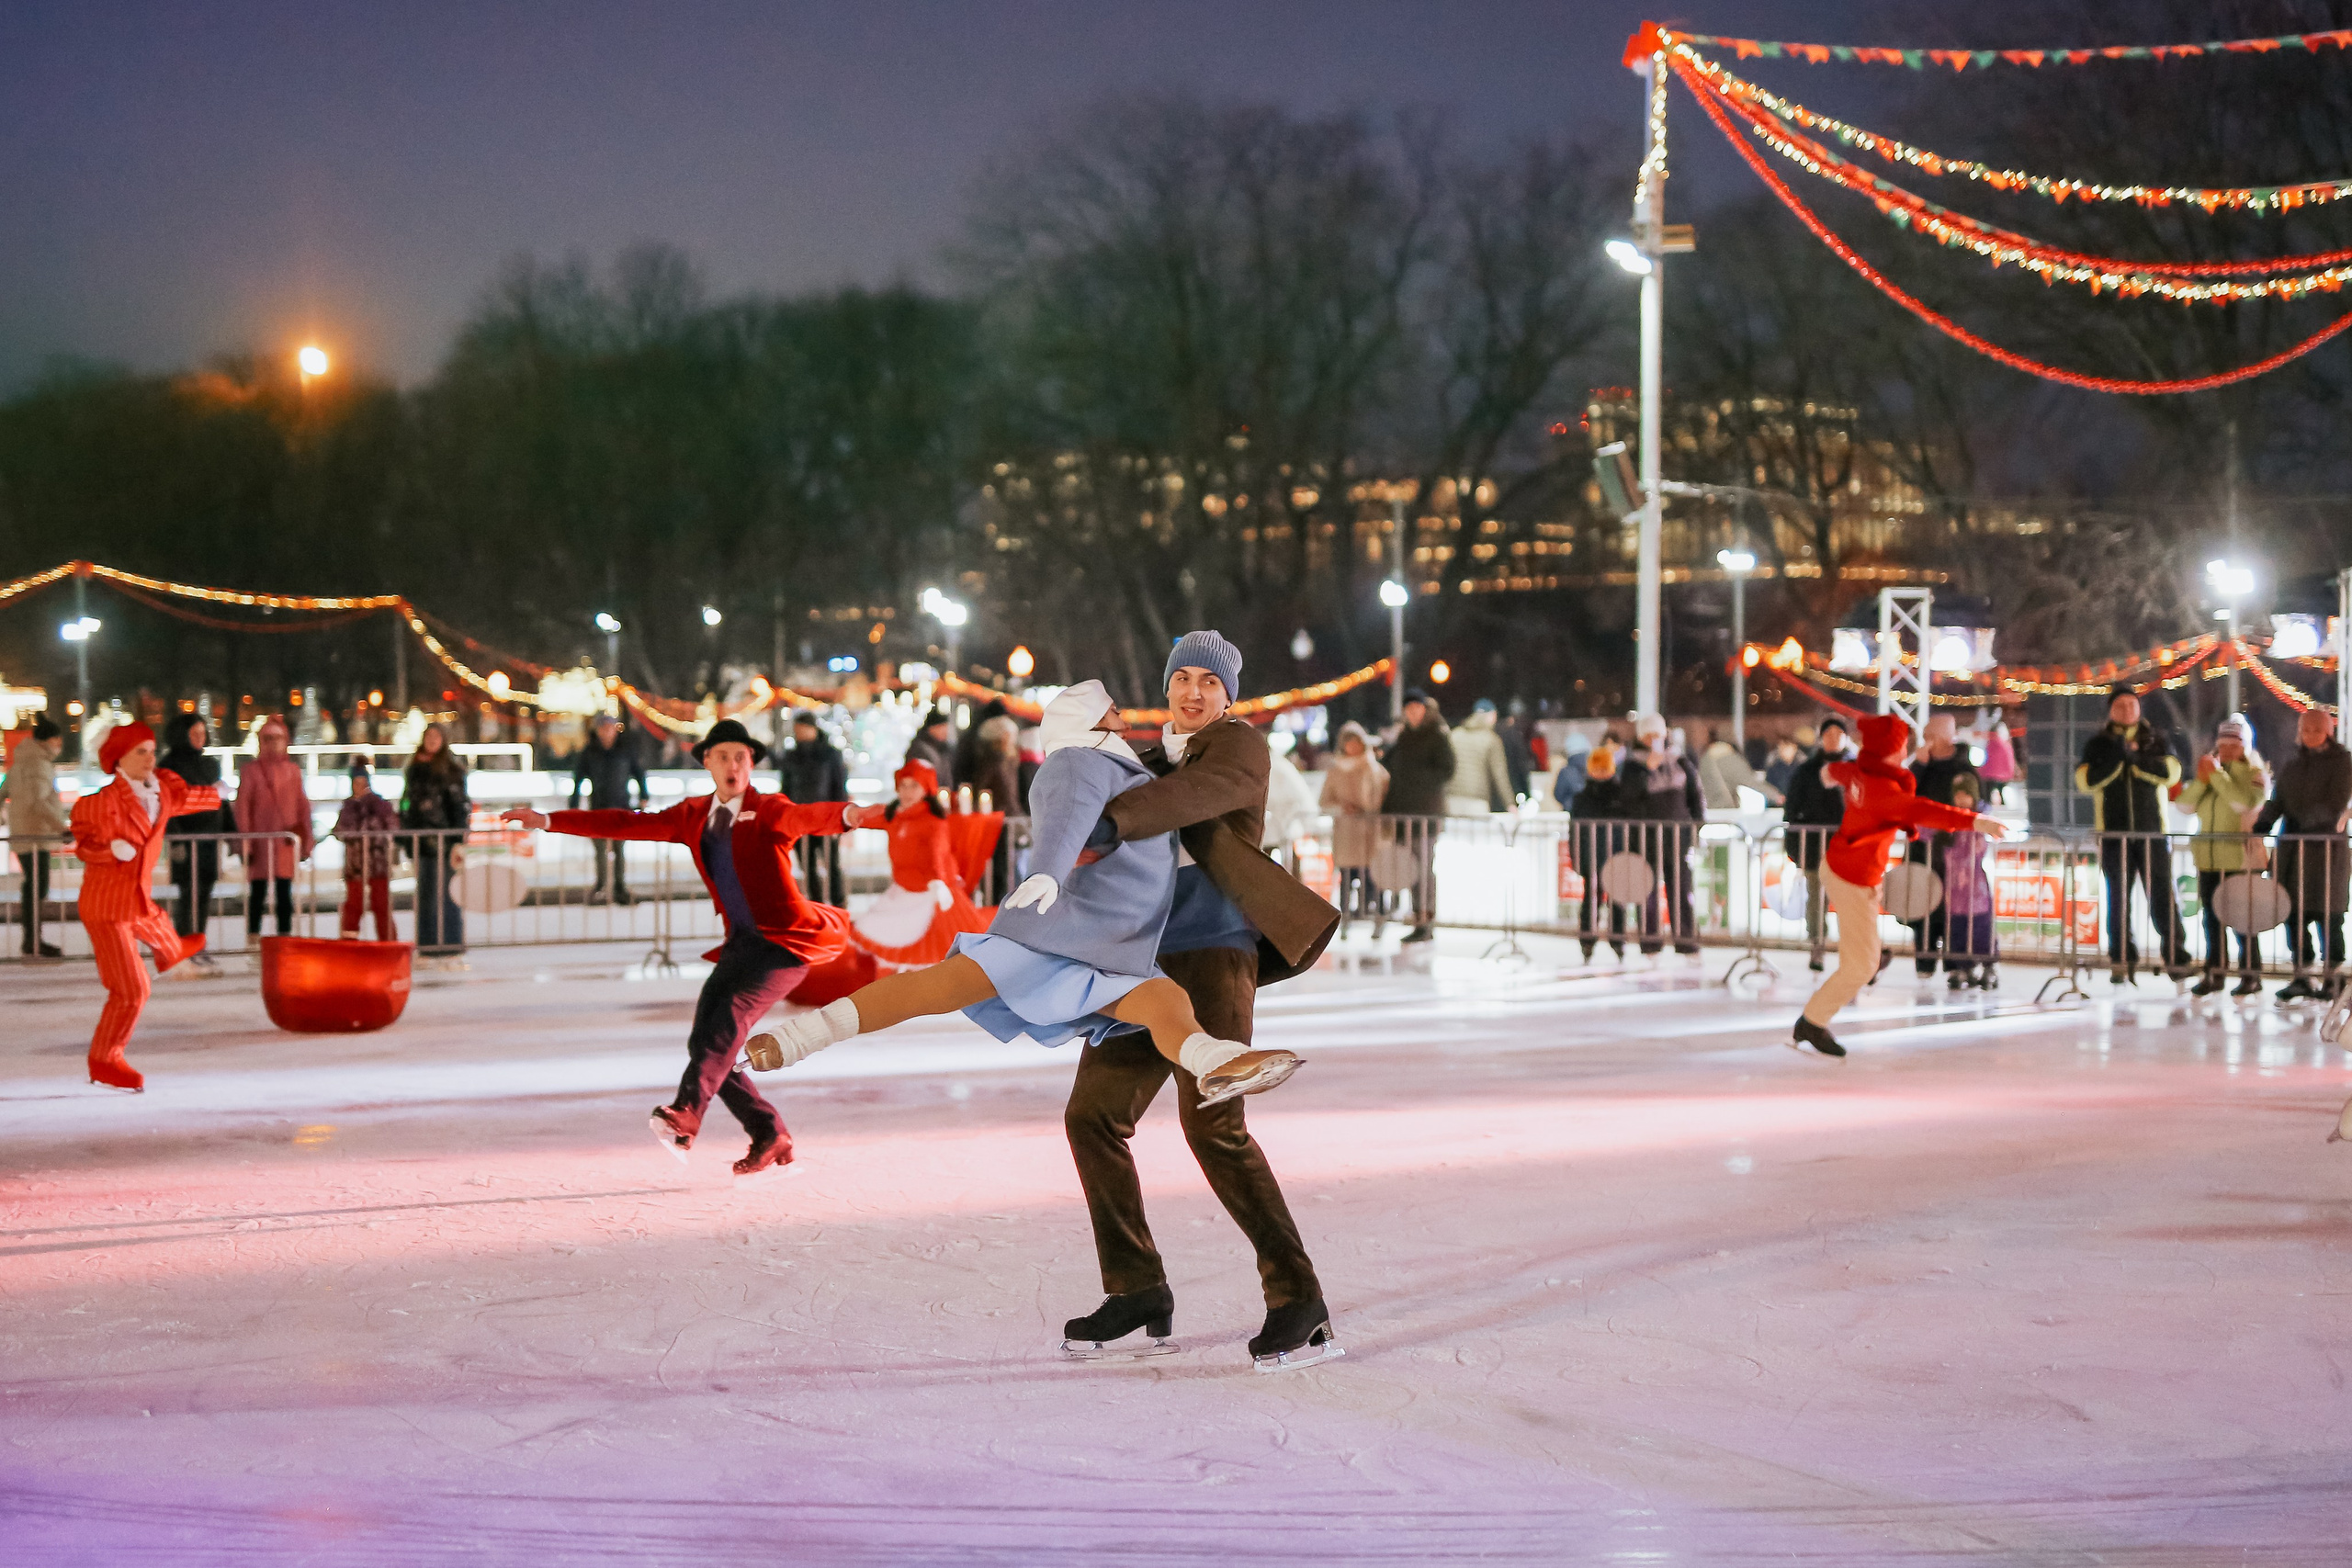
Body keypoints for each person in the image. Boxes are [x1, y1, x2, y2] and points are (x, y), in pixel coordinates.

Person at [750, 680, 1301, 1109]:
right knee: (936, 988)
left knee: (1165, 1002)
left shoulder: (1122, 768)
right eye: (1112, 710)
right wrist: (1047, 871)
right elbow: (1065, 818)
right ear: (1089, 720)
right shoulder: (1081, 761)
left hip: (1110, 940)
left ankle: (1214, 1058)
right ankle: (800, 1037)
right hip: (1062, 929)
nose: (1123, 717)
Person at [503, 718, 868, 1177]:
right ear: (708, 765)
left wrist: (849, 816)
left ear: (751, 763)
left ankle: (687, 1114)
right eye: (723, 757)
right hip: (741, 943)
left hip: (785, 945)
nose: (733, 765)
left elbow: (807, 816)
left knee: (728, 1021)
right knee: (707, 1043)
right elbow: (625, 823)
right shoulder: (694, 815)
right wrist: (550, 820)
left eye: (741, 756)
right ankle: (769, 1132)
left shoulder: (769, 809)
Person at [1792, 714, 2008, 1057]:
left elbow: (1833, 772)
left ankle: (1858, 972)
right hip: (1852, 878)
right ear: (1891, 751)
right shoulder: (1885, 792)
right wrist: (1977, 821)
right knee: (1861, 965)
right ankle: (1812, 1021)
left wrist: (1829, 774)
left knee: (1862, 958)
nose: (1909, 747)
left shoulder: (1863, 772)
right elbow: (1927, 811)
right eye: (1904, 744)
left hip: (1845, 868)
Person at [68, 722, 220, 1089]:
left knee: (156, 921)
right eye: (141, 751)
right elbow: (83, 846)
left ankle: (170, 950)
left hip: (136, 899)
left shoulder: (162, 791)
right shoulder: (100, 804)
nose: (150, 758)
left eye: (152, 750)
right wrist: (108, 851)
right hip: (107, 907)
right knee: (132, 989)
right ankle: (105, 1058)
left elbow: (186, 800)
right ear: (118, 758)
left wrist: (217, 796)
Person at [2075, 689, 2188, 982]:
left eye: (2132, 705)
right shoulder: (2099, 743)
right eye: (2120, 705)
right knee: (2118, 899)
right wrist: (2118, 761)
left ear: (2139, 709)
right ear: (2110, 710)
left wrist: (2136, 761)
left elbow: (2172, 773)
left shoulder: (2156, 738)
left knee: (2163, 896)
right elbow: (2085, 780)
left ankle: (2177, 958)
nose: (2126, 710)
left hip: (2153, 832)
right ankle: (2121, 959)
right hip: (2113, 833)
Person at [845, 758, 990, 966]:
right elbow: (864, 818)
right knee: (879, 931)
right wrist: (844, 816)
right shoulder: (894, 815)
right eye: (903, 786)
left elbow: (938, 852)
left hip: (929, 891)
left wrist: (938, 880)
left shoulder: (932, 821)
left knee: (939, 947)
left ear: (926, 789)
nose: (907, 792)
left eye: (914, 786)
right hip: (905, 888)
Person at [2254, 705, 2352, 1002]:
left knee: (2328, 915)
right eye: (2305, 730)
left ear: (2328, 731)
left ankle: (2333, 978)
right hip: (2293, 851)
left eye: (2316, 730)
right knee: (2293, 914)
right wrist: (2264, 822)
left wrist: (2305, 821)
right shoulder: (2293, 764)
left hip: (2325, 850)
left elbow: (2336, 802)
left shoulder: (2343, 763)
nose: (2310, 735)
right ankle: (2301, 974)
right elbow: (2278, 798)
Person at [2177, 715, 2269, 998]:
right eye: (2223, 744)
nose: (2228, 749)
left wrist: (2215, 775)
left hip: (2240, 860)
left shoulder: (2255, 774)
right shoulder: (2210, 773)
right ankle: (2214, 972)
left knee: (2243, 920)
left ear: (2245, 745)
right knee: (2211, 921)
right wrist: (2204, 780)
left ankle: (2251, 974)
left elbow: (2243, 803)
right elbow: (2184, 805)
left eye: (2235, 744)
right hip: (2209, 859)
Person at [1901, 712, 1979, 978]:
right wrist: (1919, 766)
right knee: (1921, 901)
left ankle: (1953, 961)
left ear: (1945, 737)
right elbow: (1904, 796)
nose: (1926, 742)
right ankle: (1924, 960)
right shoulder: (1921, 767)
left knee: (1951, 905)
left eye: (1930, 736)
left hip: (1953, 849)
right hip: (1921, 847)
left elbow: (1972, 803)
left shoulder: (1964, 769)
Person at [1619, 714, 1704, 957]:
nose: (1654, 740)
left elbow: (1695, 794)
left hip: (1676, 838)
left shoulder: (1680, 760)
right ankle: (1650, 943)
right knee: (1647, 894)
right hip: (1645, 840)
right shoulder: (1633, 765)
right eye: (1649, 735)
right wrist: (1648, 770)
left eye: (1658, 734)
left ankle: (1686, 941)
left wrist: (1695, 826)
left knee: (1681, 891)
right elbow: (1627, 799)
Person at [1380, 691, 1453, 942]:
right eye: (1408, 709)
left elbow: (1447, 770)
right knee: (1411, 870)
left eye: (1416, 708)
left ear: (1424, 710)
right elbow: (1394, 774)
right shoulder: (1404, 738)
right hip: (1404, 815)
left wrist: (1418, 782)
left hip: (1425, 815)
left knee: (1423, 870)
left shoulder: (1436, 735)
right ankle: (1417, 918)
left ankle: (1426, 920)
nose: (1412, 713)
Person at [1780, 717, 1850, 973]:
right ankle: (1817, 943)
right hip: (1815, 847)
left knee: (1848, 899)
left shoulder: (1854, 768)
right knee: (1816, 898)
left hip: (1848, 847)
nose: (1834, 739)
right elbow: (1792, 808)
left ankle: (1851, 948)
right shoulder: (1807, 771)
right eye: (1829, 734)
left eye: (1838, 734)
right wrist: (1794, 843)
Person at [232, 716, 312, 939]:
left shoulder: (292, 771)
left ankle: (284, 935)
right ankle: (253, 934)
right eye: (268, 739)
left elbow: (302, 806)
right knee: (257, 892)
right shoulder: (251, 771)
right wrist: (245, 843)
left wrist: (307, 839)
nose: (273, 743)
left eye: (277, 738)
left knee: (284, 891)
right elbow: (243, 808)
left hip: (285, 842)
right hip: (259, 843)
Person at [158, 713, 227, 966]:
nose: (200, 738)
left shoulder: (209, 764)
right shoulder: (169, 765)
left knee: (205, 892)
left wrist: (231, 832)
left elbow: (221, 799)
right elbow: (168, 804)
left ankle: (198, 942)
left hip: (209, 838)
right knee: (189, 894)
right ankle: (183, 944)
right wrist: (176, 840)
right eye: (194, 733)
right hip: (187, 840)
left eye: (202, 733)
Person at [401, 724, 469, 956]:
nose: (432, 740)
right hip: (420, 841)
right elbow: (407, 803)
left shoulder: (451, 770)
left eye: (436, 736)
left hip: (444, 840)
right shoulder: (414, 768)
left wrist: (458, 839)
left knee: (447, 893)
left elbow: (460, 807)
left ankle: (450, 942)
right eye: (428, 736)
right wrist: (406, 836)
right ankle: (428, 944)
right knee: (426, 894)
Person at [1318, 720, 1387, 936]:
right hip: (1346, 835)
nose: (1352, 747)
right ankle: (1345, 920)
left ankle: (1378, 918)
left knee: (1373, 880)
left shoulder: (1374, 769)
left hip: (1369, 834)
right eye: (1348, 742)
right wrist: (1341, 808)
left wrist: (1367, 809)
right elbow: (1324, 801)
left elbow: (1381, 798)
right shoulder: (1336, 771)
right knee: (1347, 880)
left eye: (1356, 742)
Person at [570, 714, 647, 904]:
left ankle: (620, 887)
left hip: (621, 805)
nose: (606, 732)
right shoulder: (590, 751)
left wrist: (644, 795)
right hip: (598, 806)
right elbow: (578, 777)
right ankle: (601, 886)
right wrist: (574, 803)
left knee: (619, 849)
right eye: (603, 728)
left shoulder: (625, 750)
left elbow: (638, 772)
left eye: (609, 727)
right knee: (600, 849)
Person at [6, 715, 67, 957]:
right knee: (37, 888)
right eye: (57, 740)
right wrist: (61, 827)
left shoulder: (20, 761)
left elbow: (4, 790)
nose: (59, 745)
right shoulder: (39, 765)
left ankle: (31, 939)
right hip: (35, 834)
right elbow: (40, 802)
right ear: (47, 741)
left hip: (22, 832)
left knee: (33, 886)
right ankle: (32, 940)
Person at [777, 711, 850, 907]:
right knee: (807, 866)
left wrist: (839, 818)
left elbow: (838, 787)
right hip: (800, 819)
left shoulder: (830, 755)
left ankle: (837, 903)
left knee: (831, 864)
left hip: (825, 818)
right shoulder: (791, 756)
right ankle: (816, 904)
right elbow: (786, 788)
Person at [1937, 777, 1998, 989]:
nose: (1961, 799)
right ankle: (1961, 966)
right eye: (1958, 795)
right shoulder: (1948, 822)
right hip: (1954, 889)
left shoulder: (1981, 820)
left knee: (1981, 927)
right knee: (1957, 929)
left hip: (1975, 887)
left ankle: (1989, 966)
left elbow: (1981, 845)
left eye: (1966, 794)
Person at [1570, 740, 1627, 961]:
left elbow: (1574, 830)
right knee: (1611, 900)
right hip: (1609, 856)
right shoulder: (1620, 796)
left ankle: (1590, 942)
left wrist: (1577, 856)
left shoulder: (1583, 798)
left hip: (1595, 856)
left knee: (1595, 900)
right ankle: (1613, 942)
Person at [334, 759, 400, 942]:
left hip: (377, 863)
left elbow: (392, 826)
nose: (360, 786)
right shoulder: (348, 807)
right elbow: (339, 830)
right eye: (356, 782)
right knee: (354, 906)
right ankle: (349, 943)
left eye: (363, 782)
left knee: (381, 905)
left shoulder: (379, 804)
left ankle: (388, 944)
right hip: (355, 865)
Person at [1444, 698, 1513, 815]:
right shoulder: (1491, 739)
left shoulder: (1455, 735)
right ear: (1491, 716)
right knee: (1477, 832)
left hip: (1452, 798)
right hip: (1477, 799)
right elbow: (1499, 774)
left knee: (1455, 832)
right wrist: (1510, 804)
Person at [1698, 730, 1783, 811]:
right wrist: (1776, 796)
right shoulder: (1728, 758)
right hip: (1724, 813)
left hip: (1705, 812)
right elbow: (1750, 782)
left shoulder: (1705, 759)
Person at [903, 708, 958, 788]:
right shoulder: (919, 750)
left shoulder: (944, 748)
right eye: (941, 728)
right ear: (932, 728)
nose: (945, 732)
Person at [1978, 712, 2018, 805]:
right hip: (2002, 773)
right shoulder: (2006, 746)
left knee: (1988, 790)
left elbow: (1987, 760)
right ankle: (2001, 802)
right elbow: (2009, 761)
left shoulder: (1991, 744)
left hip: (1991, 773)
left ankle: (1987, 803)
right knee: (2000, 789)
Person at [1764, 728, 1810, 797]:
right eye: (1780, 747)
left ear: (1794, 748)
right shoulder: (1773, 766)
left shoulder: (1803, 766)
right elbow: (1769, 786)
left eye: (1785, 747)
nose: (1782, 750)